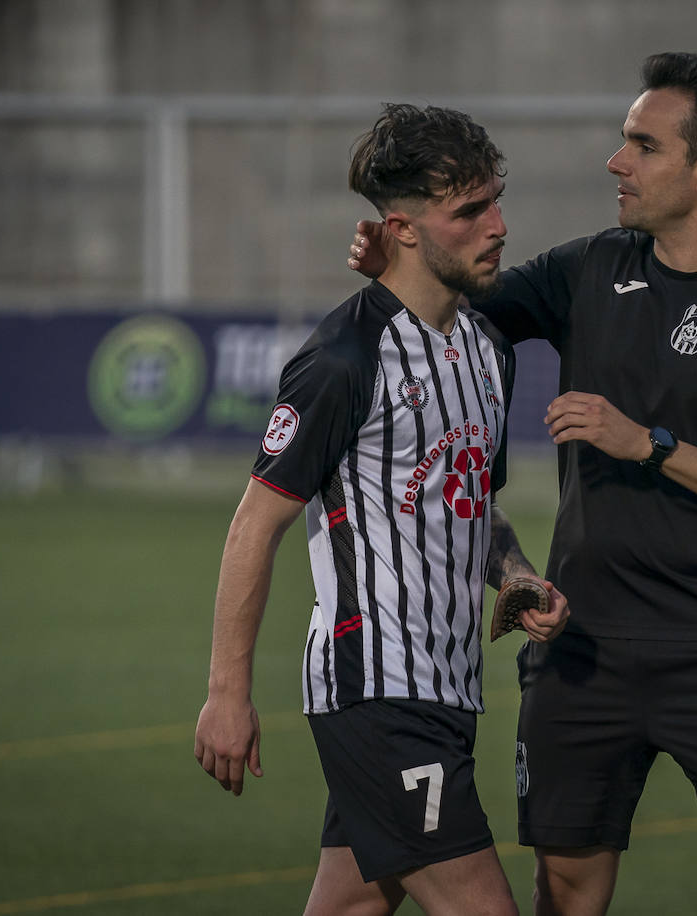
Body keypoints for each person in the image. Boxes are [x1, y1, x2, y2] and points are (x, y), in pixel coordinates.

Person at [350, 52, 697, 915]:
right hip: (580, 646)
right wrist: (401, 257)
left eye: (643, 145)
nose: (618, 162)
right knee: (565, 887)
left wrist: (646, 444)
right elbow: (455, 304)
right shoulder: (589, 269)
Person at [195, 102, 569, 916]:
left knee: (351, 904)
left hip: (450, 689)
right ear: (401, 228)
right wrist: (228, 692)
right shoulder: (342, 358)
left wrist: (515, 573)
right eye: (469, 211)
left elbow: (472, 503)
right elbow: (254, 524)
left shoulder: (489, 351)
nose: (498, 225)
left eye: (496, 199)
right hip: (377, 692)